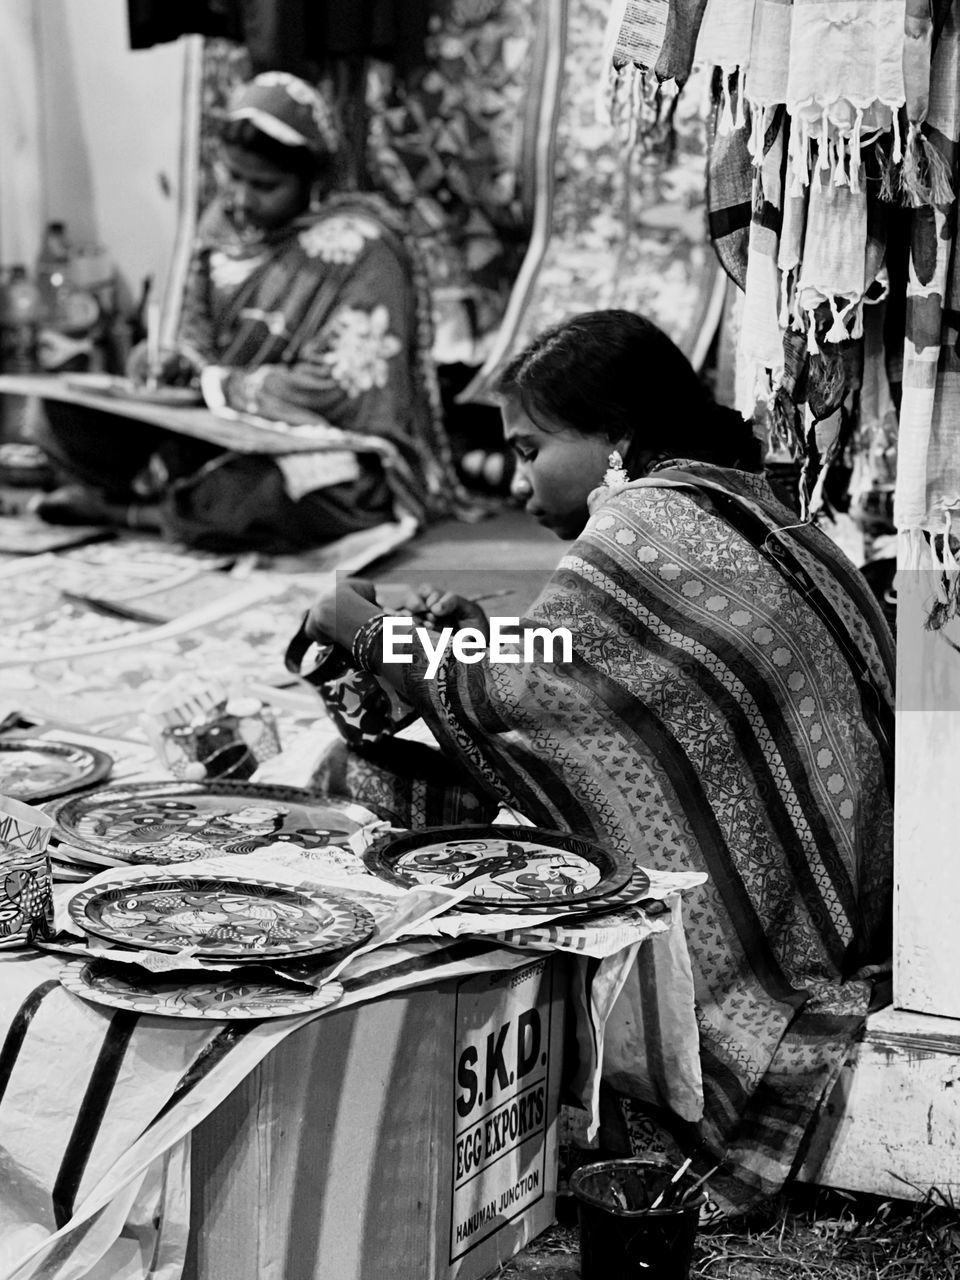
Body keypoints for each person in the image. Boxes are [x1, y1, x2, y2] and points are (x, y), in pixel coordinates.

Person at [295, 309, 895, 1216]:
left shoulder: (644, 523)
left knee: (370, 783)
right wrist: (462, 646)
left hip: (778, 944)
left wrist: (370, 632)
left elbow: (534, 693)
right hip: (851, 898)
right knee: (437, 773)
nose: (518, 475)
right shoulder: (743, 504)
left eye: (532, 448)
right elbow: (603, 687)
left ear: (617, 436)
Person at [33, 72, 456, 552]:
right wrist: (175, 365)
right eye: (231, 175)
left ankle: (132, 510)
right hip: (213, 431)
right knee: (52, 415)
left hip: (320, 444)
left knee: (273, 493)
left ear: (311, 182)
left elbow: (343, 389)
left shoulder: (363, 249)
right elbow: (198, 341)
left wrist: (218, 385)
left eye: (264, 184)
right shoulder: (223, 227)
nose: (239, 197)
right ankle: (177, 500)